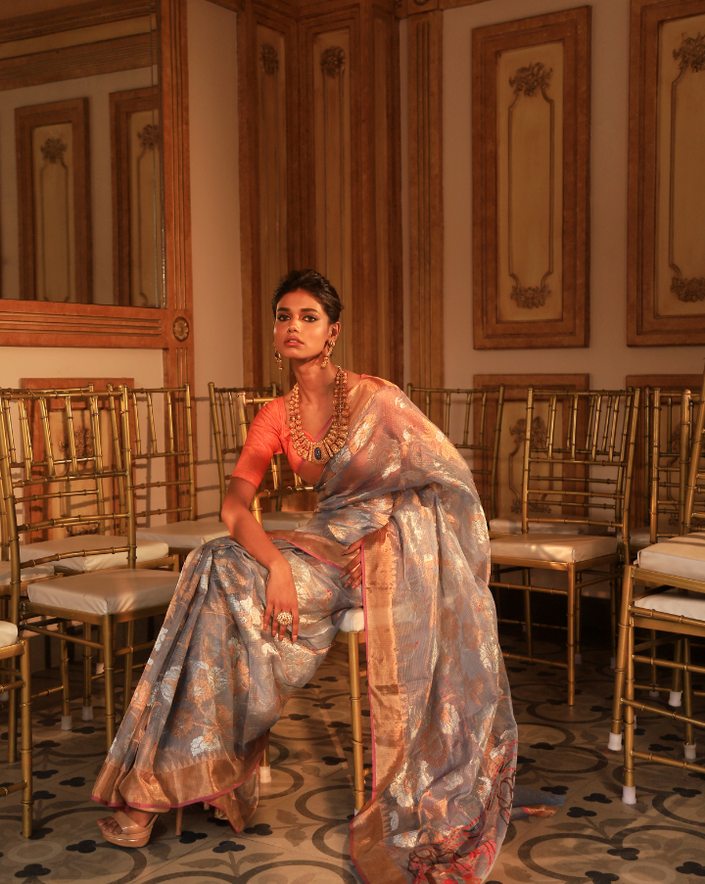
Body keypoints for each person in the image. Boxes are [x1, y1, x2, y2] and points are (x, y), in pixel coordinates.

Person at [93, 270, 562, 883]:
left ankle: (193, 775)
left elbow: (449, 479)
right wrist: (278, 565)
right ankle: (186, 770)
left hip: (387, 551)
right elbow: (235, 506)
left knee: (221, 573)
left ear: (332, 332)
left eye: (308, 317)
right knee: (210, 564)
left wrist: (402, 535)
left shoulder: (379, 399)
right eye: (284, 316)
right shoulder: (274, 416)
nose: (293, 327)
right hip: (322, 545)